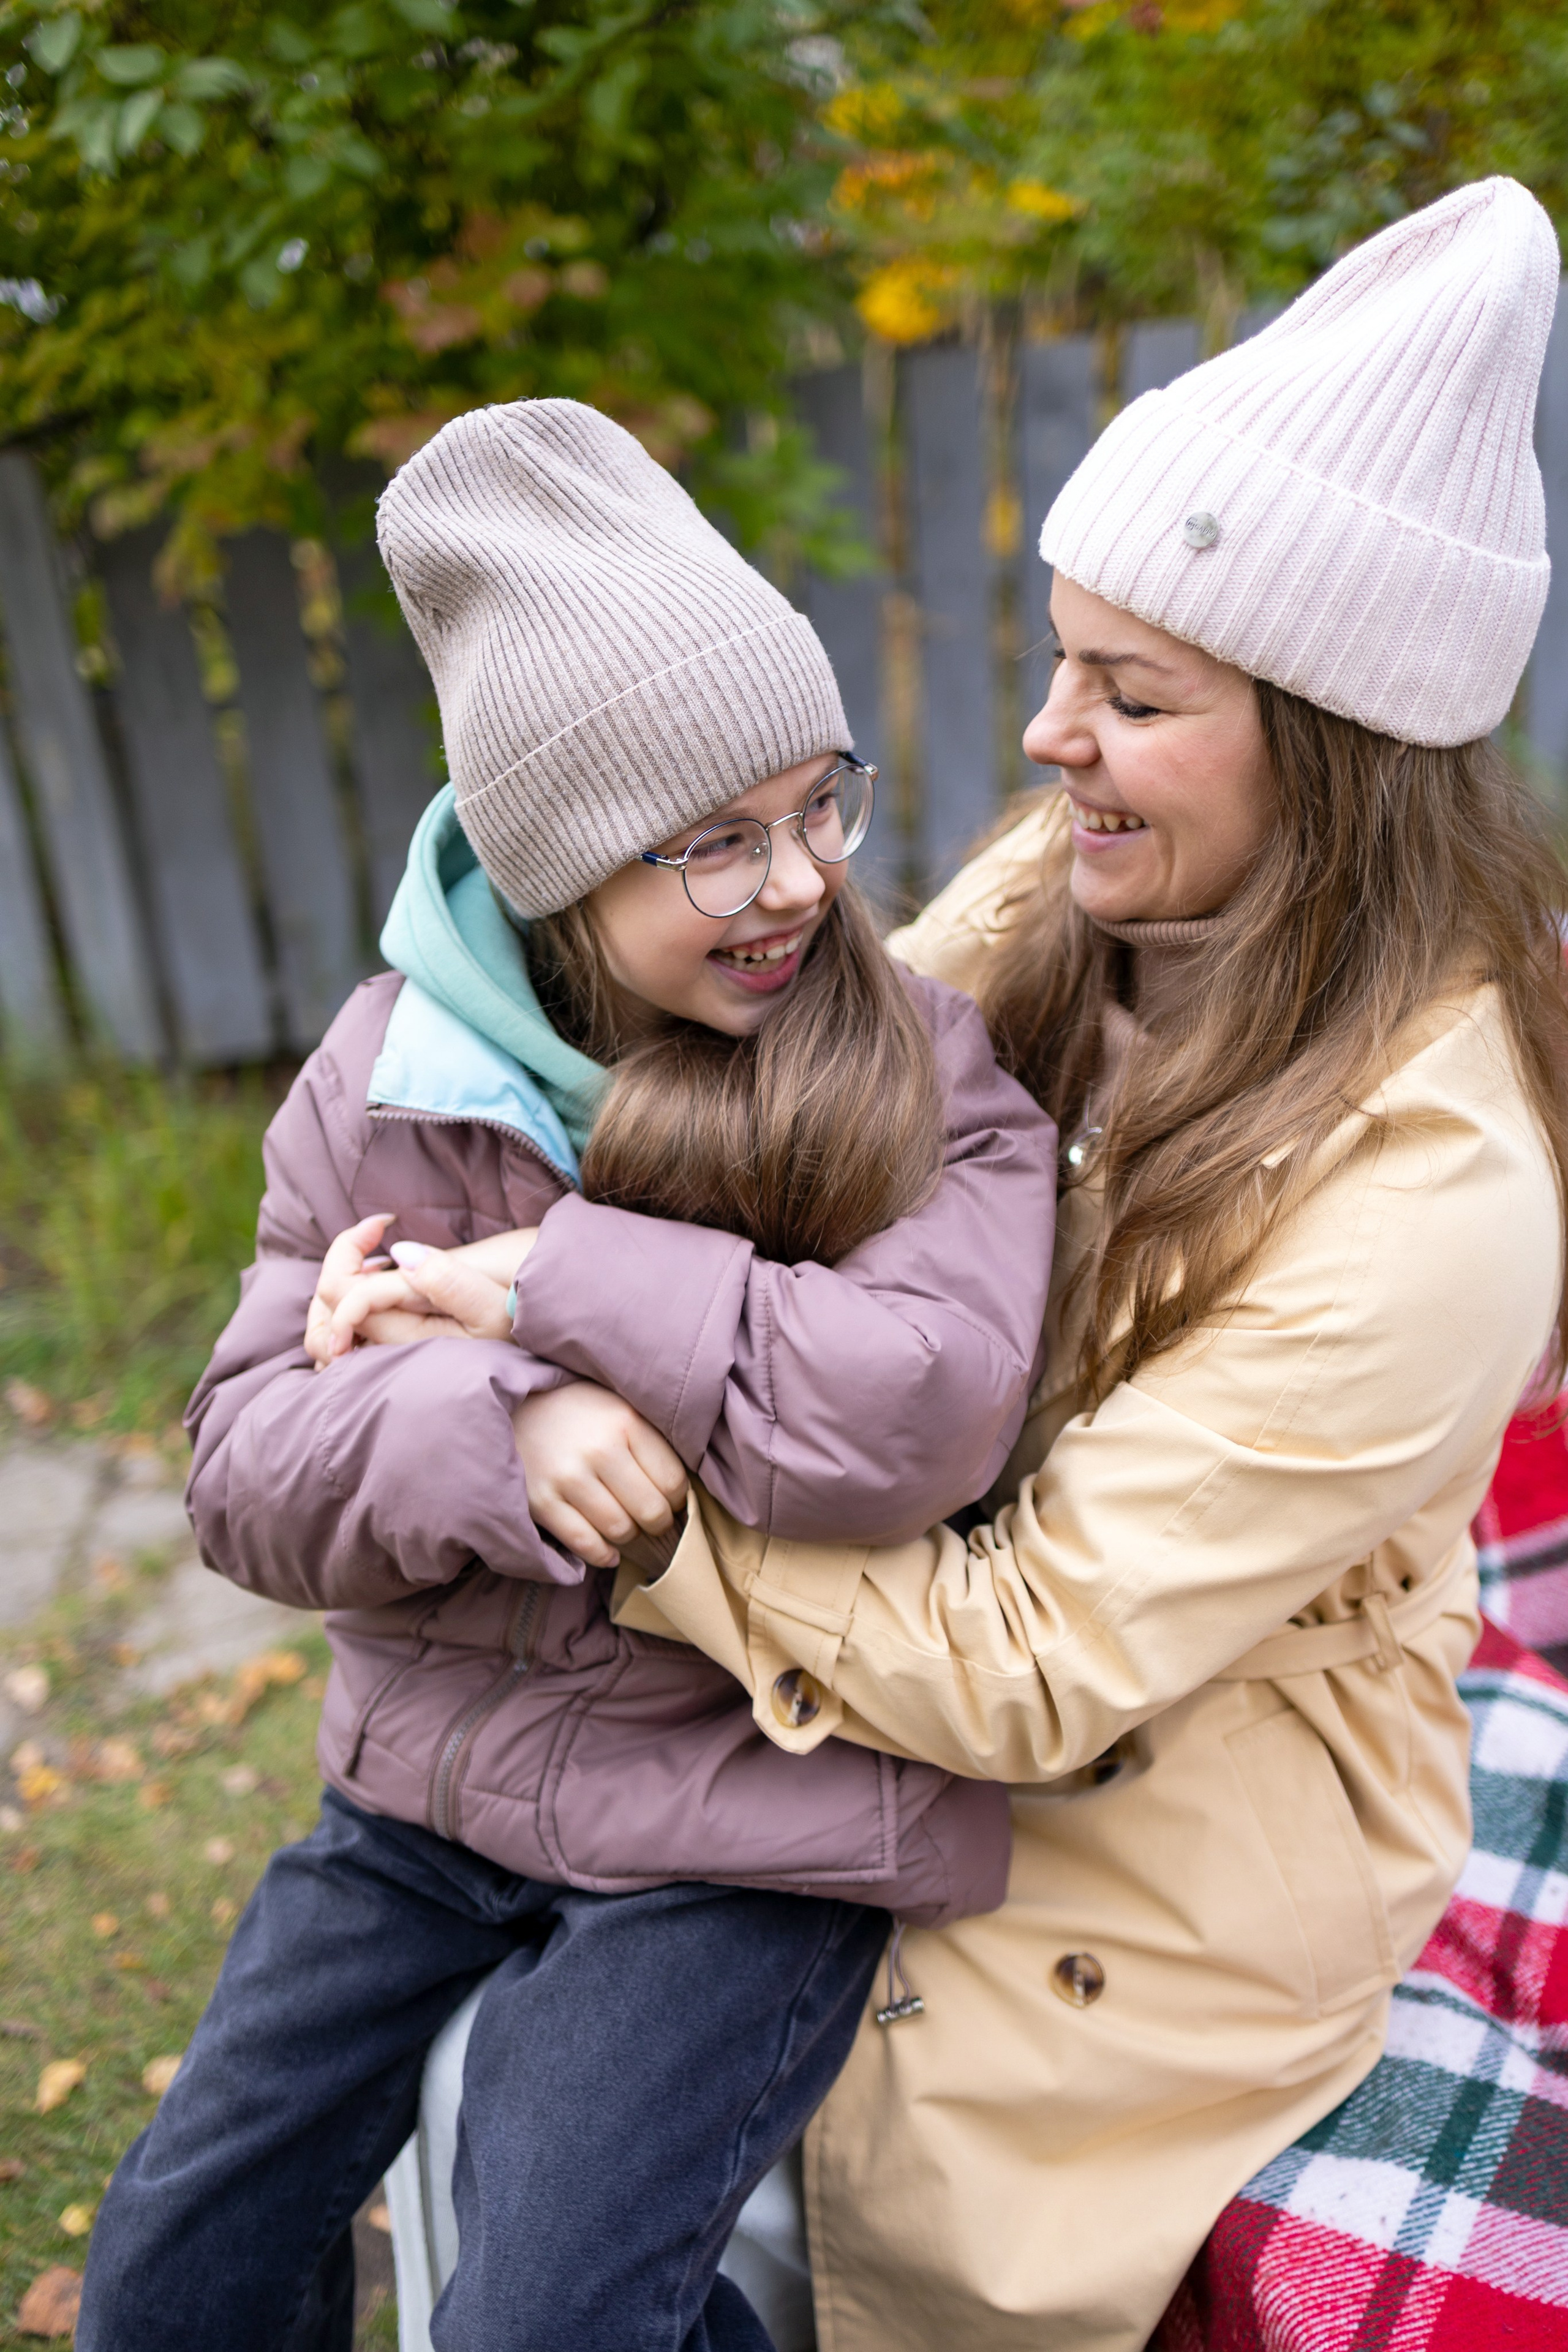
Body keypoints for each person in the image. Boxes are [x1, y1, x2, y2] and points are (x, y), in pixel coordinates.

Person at [522, 178, 1568, 2347]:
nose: (1043, 738)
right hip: (873, 1642)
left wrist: (617, 1490)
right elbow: (800, 1158)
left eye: (1130, 690)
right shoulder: (1086, 888)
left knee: (836, 2214)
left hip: (1153, 1825)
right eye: (1060, 660)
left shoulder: (1441, 1190)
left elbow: (1030, 1657)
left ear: (1342, 754)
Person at [75, 399, 1057, 2352]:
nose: (798, 881)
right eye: (716, 842)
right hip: (420, 1808)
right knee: (169, 2277)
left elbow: (921, 1413)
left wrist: (551, 1290)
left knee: (541, 2315)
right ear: (553, 866)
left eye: (818, 804)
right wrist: (500, 1427)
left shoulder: (912, 1068)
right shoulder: (388, 1076)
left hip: (739, 1823)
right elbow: (240, 1467)